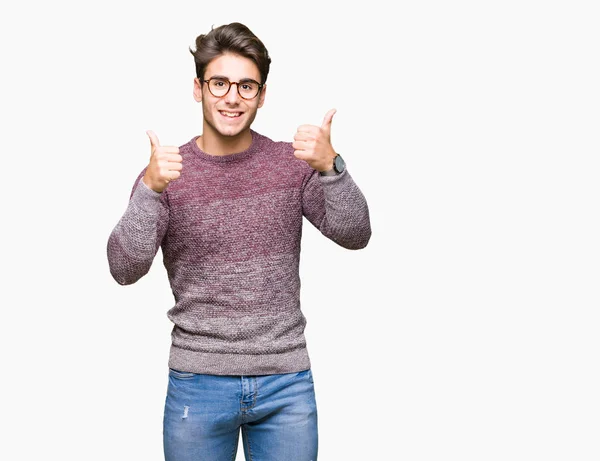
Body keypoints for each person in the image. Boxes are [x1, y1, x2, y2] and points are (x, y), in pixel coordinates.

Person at [107, 22, 371, 461]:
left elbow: (355, 233)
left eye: (247, 86)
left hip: (285, 382)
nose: (232, 96)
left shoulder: (292, 164)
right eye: (220, 83)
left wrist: (332, 167)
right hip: (199, 381)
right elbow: (123, 268)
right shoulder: (167, 172)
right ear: (198, 88)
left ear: (262, 95)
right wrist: (149, 191)